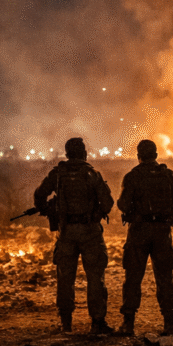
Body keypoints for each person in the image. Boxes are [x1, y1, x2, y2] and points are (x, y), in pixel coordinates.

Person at [34, 137, 115, 335]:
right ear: (84, 153)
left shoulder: (58, 174)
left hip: (67, 232)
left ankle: (66, 323)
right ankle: (97, 323)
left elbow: (39, 196)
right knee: (95, 278)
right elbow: (108, 203)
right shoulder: (92, 174)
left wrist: (49, 210)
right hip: (90, 232)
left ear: (67, 153)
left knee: (65, 278)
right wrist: (95, 214)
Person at [116, 139, 173, 337]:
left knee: (133, 277)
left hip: (139, 231)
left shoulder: (133, 176)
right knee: (164, 277)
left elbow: (122, 204)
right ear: (155, 154)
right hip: (162, 231)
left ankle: (128, 323)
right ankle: (169, 322)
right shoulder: (168, 175)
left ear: (139, 155)